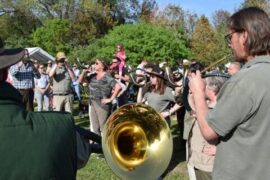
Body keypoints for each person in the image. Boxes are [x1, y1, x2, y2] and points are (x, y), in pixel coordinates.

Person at [188, 7, 270, 180]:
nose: (229, 44)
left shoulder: (244, 81)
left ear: (245, 36)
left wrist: (197, 91)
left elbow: (209, 131)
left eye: (230, 36)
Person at [0, 39, 92, 179]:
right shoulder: (15, 67)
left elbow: (38, 76)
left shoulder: (33, 66)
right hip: (19, 90)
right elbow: (16, 74)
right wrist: (19, 63)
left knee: (27, 115)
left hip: (29, 91)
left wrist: (35, 68)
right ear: (4, 73)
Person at [187, 73, 228, 180]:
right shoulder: (206, 104)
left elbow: (238, 136)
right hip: (197, 161)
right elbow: (189, 102)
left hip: (209, 165)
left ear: (211, 87)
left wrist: (220, 149)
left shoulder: (223, 109)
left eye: (203, 83)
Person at [78, 58, 121, 136]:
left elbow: (118, 87)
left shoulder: (107, 76)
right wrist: (83, 72)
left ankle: (106, 146)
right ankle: (97, 146)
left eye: (97, 63)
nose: (94, 65)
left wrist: (110, 99)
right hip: (93, 103)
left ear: (102, 66)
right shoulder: (93, 76)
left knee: (104, 128)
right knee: (95, 128)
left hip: (102, 105)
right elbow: (80, 81)